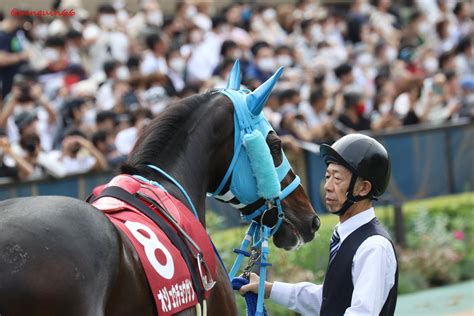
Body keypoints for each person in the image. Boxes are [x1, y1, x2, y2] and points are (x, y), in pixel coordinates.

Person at [240, 133, 398, 315]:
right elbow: (329, 299)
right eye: (327, 176)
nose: (328, 186)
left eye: (337, 179)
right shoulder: (347, 235)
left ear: (363, 188)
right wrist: (268, 289)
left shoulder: (374, 247)